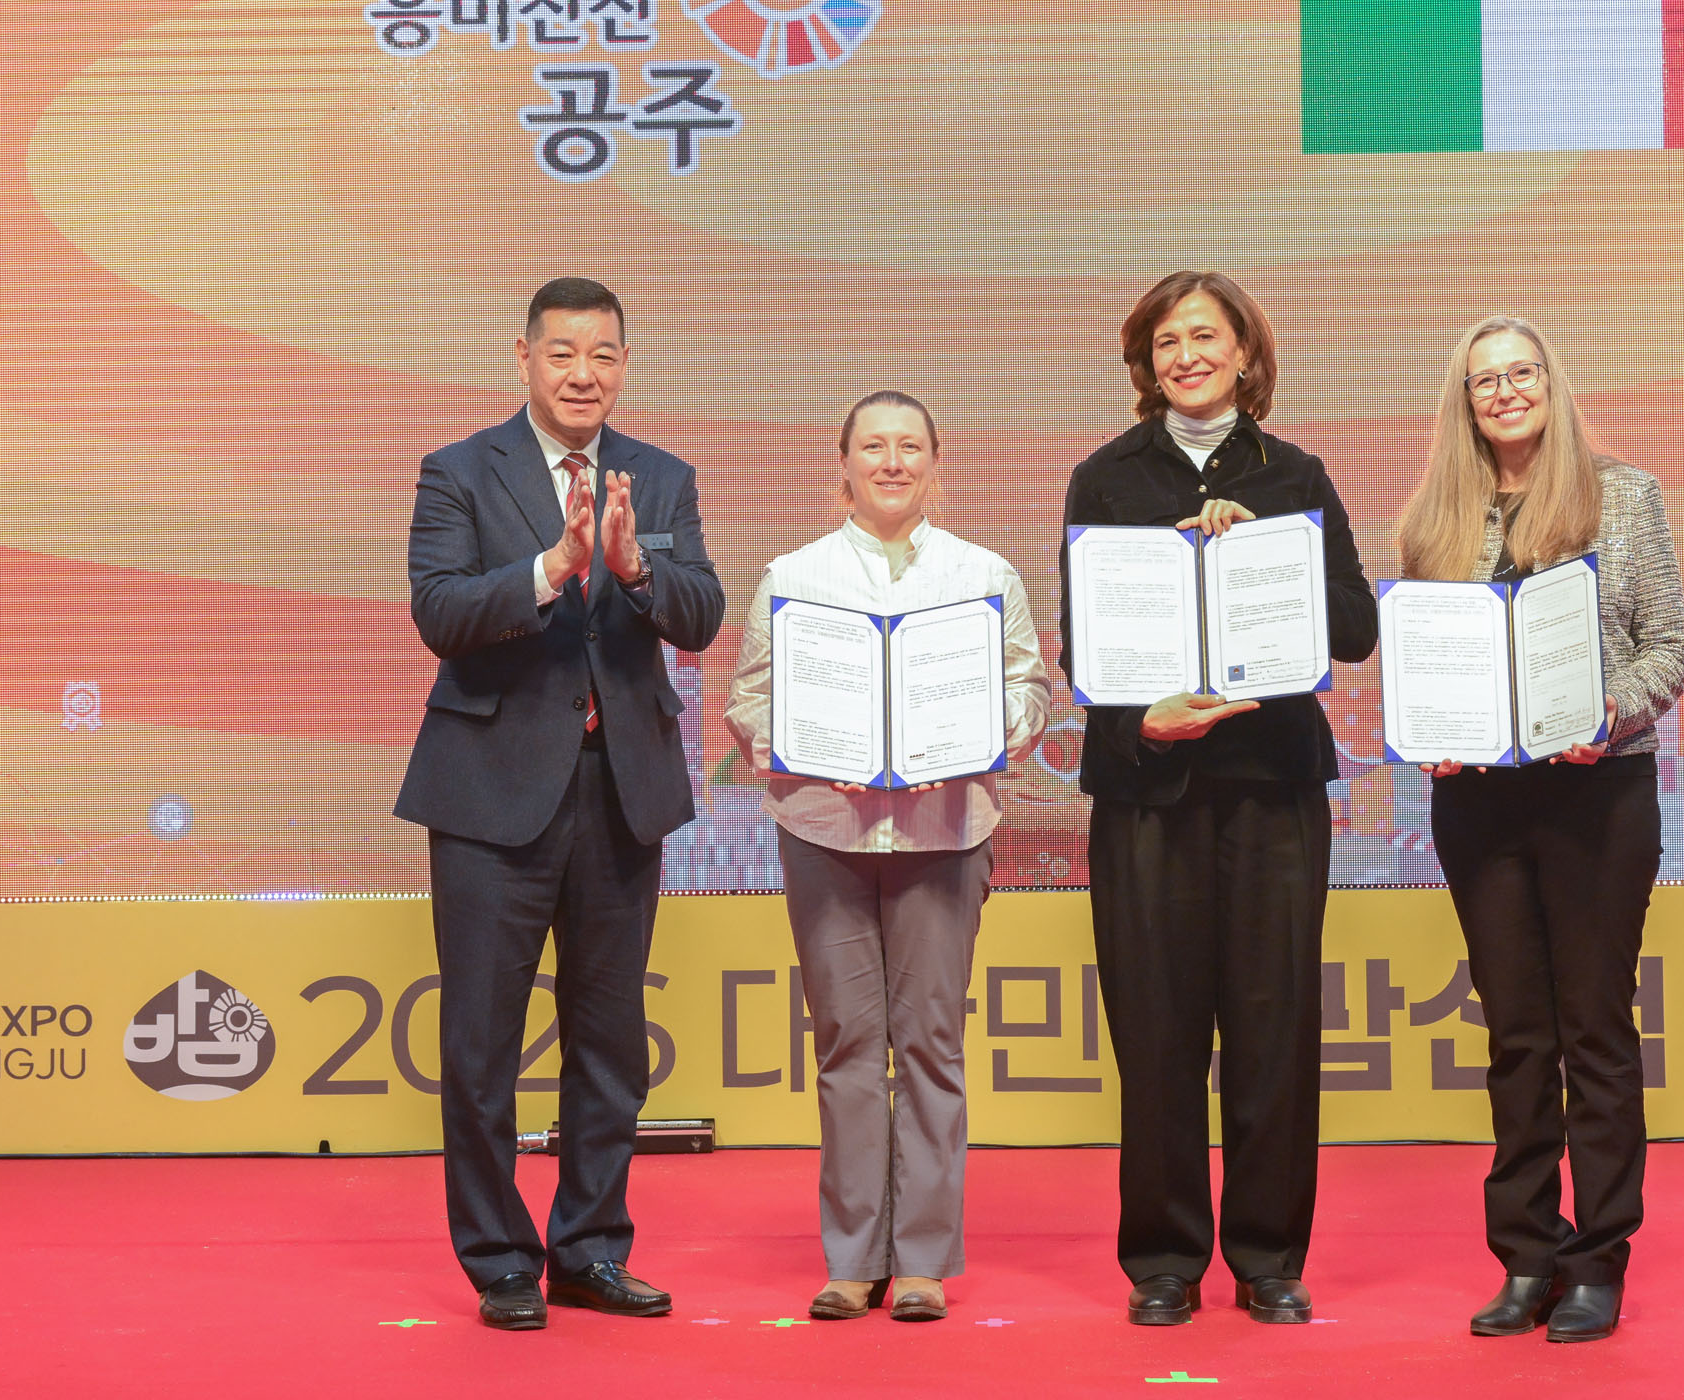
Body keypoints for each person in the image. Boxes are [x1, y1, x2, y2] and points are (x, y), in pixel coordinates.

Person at [395, 276, 725, 1330]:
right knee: (481, 1046)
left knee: (610, 1044)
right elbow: (440, 611)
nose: (584, 373)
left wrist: (634, 571)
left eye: (604, 354)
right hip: (491, 797)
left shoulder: (659, 479)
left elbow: (701, 613)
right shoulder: (459, 470)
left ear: (624, 363)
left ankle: (589, 1249)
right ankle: (501, 1259)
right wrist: (550, 567)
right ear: (525, 358)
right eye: (563, 353)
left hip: (621, 793)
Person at [1058, 271, 1378, 1326]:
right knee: (1154, 1031)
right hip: (1146, 793)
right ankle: (1163, 1260)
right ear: (1145, 364)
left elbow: (1355, 627)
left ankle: (1268, 1256)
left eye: (1205, 336)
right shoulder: (1106, 477)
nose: (1186, 356)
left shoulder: (1294, 475)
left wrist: (1268, 553)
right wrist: (1141, 724)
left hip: (1272, 788)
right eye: (1166, 342)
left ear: (1245, 353)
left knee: (1272, 1024)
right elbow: (1084, 651)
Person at [1397, 314, 1684, 1343]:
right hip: (1479, 801)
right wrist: (1431, 733)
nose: (1506, 391)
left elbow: (1670, 647)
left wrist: (1606, 715)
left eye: (1522, 372)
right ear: (1465, 401)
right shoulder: (1434, 520)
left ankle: (1597, 1258)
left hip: (1597, 793)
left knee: (1595, 1031)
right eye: (1485, 380)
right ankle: (1526, 1254)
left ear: (1551, 382)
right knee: (1517, 1037)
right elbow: (1424, 661)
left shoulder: (1624, 496)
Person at [724, 391, 1051, 1323]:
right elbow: (750, 702)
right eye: (874, 446)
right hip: (824, 832)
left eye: (910, 446)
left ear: (935, 464)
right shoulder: (793, 576)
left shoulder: (985, 574)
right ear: (845, 465)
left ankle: (923, 1262)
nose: (893, 462)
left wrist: (982, 733)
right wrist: (801, 745)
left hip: (944, 833)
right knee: (847, 1045)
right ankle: (852, 1257)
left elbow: (1029, 691)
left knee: (932, 1045)